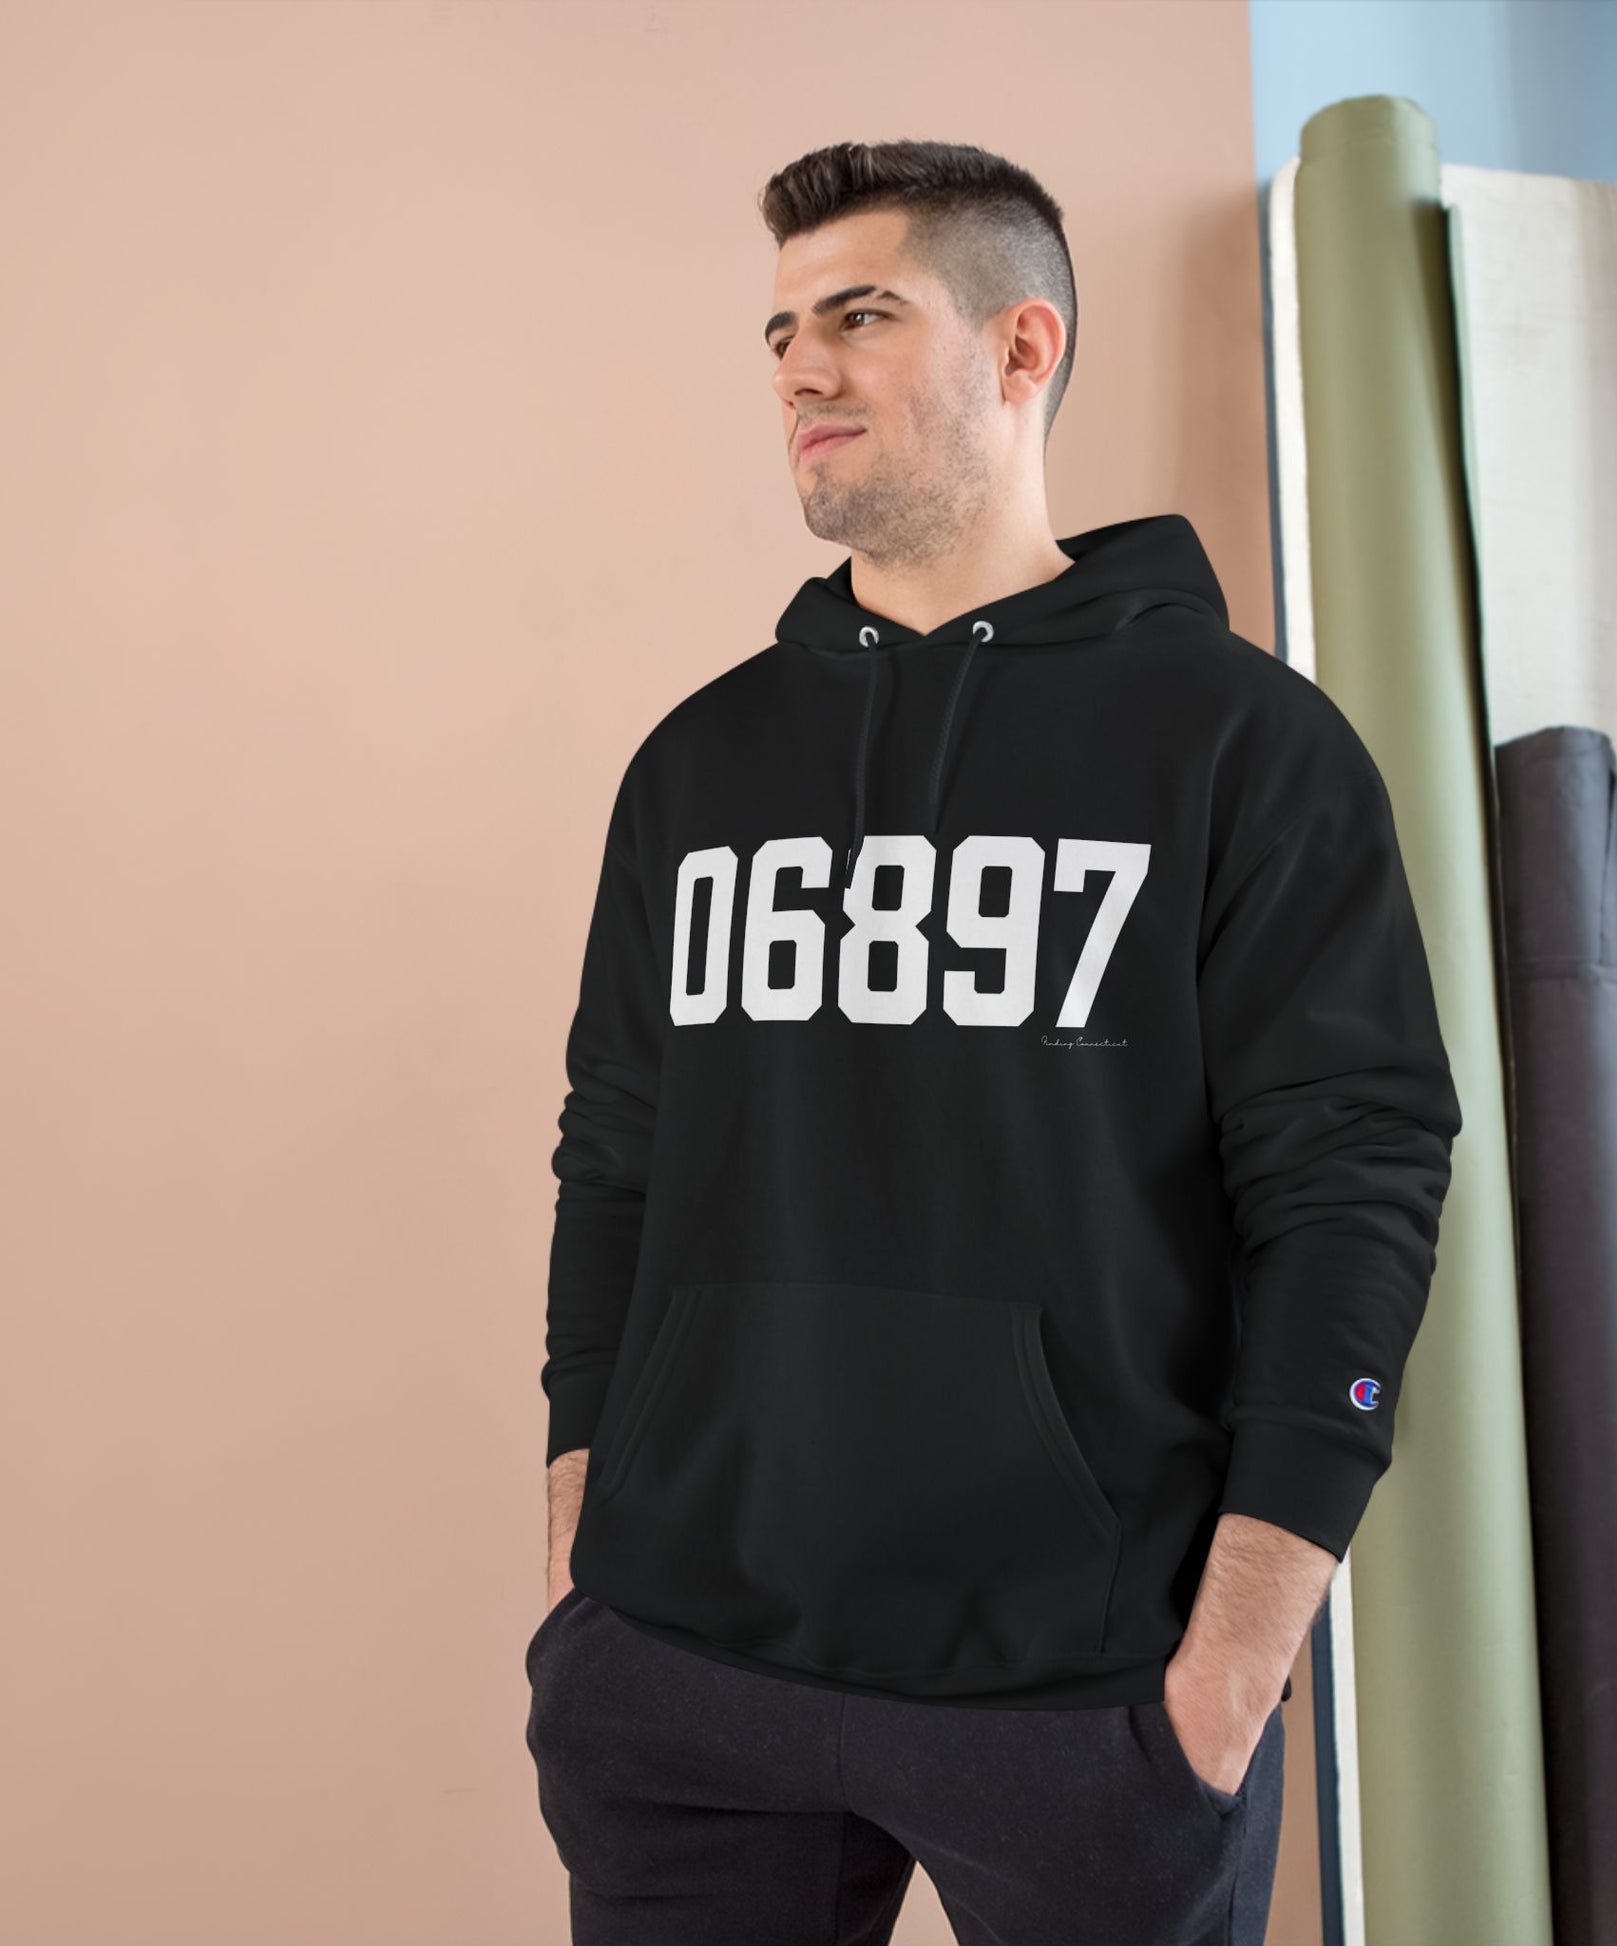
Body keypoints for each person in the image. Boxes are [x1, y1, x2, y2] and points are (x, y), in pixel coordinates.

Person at [523, 138, 1462, 1946]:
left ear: (1022, 347)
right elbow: (614, 1151)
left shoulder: (1243, 747)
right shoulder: (700, 765)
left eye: (860, 316)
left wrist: (1234, 1658)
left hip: (1083, 1691)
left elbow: (1352, 1188)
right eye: (780, 331)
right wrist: (583, 1534)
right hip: (681, 1668)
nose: (798, 369)